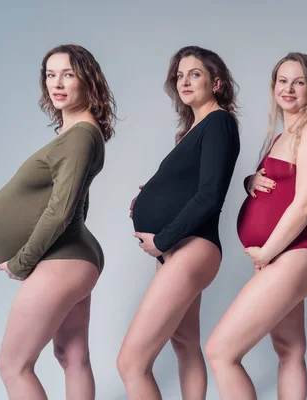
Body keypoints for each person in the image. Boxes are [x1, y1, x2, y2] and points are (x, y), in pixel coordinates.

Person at [0, 44, 117, 399]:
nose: (57, 83)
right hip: (71, 258)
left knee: (12, 365)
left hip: (63, 261)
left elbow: (62, 210)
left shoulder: (81, 136)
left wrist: (22, 261)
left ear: (88, 81)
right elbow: (78, 204)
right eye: (50, 74)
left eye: (68, 74)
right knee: (72, 358)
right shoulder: (76, 133)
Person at [205, 52, 307, 400]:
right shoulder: (283, 135)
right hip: (282, 256)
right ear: (273, 86)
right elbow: (282, 184)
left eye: (299, 82)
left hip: (291, 254)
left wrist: (266, 251)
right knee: (289, 351)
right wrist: (251, 181)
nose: (289, 89)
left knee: (220, 352)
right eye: (283, 80)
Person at [118, 45, 240, 400]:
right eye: (180, 75)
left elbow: (209, 195)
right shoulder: (195, 128)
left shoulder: (219, 122)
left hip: (189, 246)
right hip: (178, 249)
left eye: (195, 74)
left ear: (216, 83)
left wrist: (163, 238)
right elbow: (188, 183)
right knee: (185, 344)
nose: (185, 81)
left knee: (130, 363)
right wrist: (150, 194)